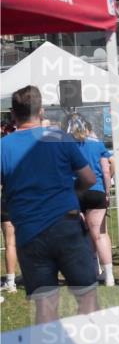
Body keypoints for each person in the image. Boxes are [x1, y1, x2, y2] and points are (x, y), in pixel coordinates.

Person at [0, 85, 98, 324]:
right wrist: (71, 194)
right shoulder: (59, 138)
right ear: (41, 111)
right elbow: (89, 179)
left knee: (44, 305)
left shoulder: (3, 146)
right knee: (87, 297)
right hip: (66, 224)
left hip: (29, 232)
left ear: (13, 113)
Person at [64, 115, 115, 287]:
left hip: (75, 191)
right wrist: (107, 192)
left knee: (83, 234)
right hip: (96, 190)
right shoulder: (98, 144)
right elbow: (106, 171)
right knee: (100, 234)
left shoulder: (67, 145)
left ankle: (93, 271)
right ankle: (108, 275)